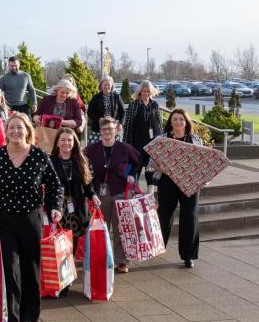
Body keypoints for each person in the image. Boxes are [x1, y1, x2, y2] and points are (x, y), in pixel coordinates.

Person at [0, 113, 63, 322]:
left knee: (30, 269)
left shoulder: (39, 156)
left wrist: (55, 207)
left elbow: (55, 185)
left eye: (19, 127)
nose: (15, 131)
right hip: (4, 221)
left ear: (27, 130)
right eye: (11, 127)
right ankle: (13, 320)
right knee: (11, 268)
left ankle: (28, 316)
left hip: (30, 220)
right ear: (6, 132)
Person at [84, 116, 142, 274]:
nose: (107, 132)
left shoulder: (124, 148)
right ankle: (102, 258)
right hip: (99, 193)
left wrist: (132, 174)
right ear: (100, 131)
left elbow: (138, 160)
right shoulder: (92, 148)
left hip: (120, 191)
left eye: (110, 129)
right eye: (104, 129)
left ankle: (121, 261)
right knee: (101, 227)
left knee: (120, 228)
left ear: (116, 130)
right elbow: (82, 163)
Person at [150, 109, 202, 268]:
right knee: (165, 215)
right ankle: (159, 246)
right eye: (175, 119)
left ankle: (188, 255)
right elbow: (151, 162)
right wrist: (160, 166)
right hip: (167, 181)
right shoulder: (162, 139)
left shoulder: (195, 139)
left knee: (190, 217)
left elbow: (202, 161)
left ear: (186, 122)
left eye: (181, 119)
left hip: (190, 182)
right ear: (170, 122)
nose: (178, 122)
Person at [50, 128, 101, 278]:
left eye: (69, 140)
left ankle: (68, 273)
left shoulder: (81, 160)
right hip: (58, 208)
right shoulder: (50, 162)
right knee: (60, 241)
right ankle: (60, 273)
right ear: (57, 142)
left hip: (77, 207)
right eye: (63, 140)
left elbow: (87, 184)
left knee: (73, 241)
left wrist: (93, 195)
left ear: (74, 143)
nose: (66, 143)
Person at [122, 80, 162, 187]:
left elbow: (159, 124)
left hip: (152, 143)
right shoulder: (134, 105)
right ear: (140, 92)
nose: (145, 93)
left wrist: (162, 141)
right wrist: (125, 144)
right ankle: (134, 192)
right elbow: (128, 125)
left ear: (151, 92)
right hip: (137, 142)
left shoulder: (154, 105)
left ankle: (150, 193)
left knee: (150, 171)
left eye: (148, 91)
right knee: (135, 168)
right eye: (143, 91)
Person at [87, 76, 125, 143]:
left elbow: (123, 112)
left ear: (112, 86)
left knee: (113, 149)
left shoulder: (117, 97)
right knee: (97, 149)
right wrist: (99, 119)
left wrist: (121, 123)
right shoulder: (96, 98)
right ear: (101, 86)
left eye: (108, 85)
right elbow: (90, 112)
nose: (107, 87)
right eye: (105, 85)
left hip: (113, 129)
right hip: (98, 129)